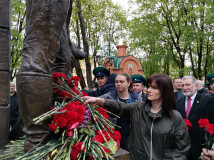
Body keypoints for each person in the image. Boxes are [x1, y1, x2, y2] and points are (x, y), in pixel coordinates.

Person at [84, 74, 190, 160]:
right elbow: (121, 106)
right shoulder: (138, 108)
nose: (148, 90)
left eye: (154, 88)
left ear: (164, 91)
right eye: (148, 86)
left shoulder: (175, 117)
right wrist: (101, 101)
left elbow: (182, 148)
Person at [176, 76, 214, 159]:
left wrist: (210, 146)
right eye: (183, 85)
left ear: (196, 86)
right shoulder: (178, 102)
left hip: (202, 149)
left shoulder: (208, 100)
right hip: (182, 149)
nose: (185, 88)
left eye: (188, 85)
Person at [101, 73, 141, 150]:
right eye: (116, 82)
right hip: (113, 136)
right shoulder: (108, 97)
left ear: (128, 83)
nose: (118, 84)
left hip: (131, 137)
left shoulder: (137, 99)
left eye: (121, 82)